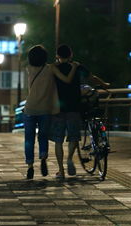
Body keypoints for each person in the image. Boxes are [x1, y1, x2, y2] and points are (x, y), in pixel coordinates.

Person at [50, 44, 109, 179]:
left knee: (58, 141)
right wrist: (104, 84)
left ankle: (61, 171)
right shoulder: (77, 67)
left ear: (57, 56)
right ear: (71, 55)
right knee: (73, 137)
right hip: (74, 106)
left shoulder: (53, 68)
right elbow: (91, 77)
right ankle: (70, 158)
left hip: (58, 107)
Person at [24, 45, 78, 179]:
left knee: (29, 139)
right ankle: (43, 158)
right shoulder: (51, 69)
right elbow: (63, 77)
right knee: (43, 136)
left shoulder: (29, 69)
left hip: (30, 108)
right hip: (45, 110)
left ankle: (30, 165)